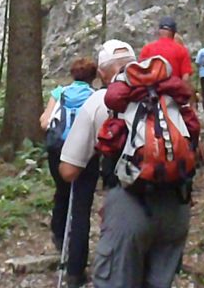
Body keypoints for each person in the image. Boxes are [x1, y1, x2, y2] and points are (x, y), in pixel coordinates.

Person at [60, 39, 192, 288]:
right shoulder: (168, 96)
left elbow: (68, 171)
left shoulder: (100, 101)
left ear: (101, 73)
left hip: (130, 208)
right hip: (176, 206)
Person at [39, 57, 99, 288]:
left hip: (58, 153)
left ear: (72, 74)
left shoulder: (59, 93)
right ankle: (76, 269)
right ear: (92, 76)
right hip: (86, 154)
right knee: (82, 207)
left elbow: (45, 122)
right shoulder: (96, 97)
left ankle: (59, 234)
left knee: (62, 192)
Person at [139, 16, 193, 82]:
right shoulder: (182, 50)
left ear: (159, 31)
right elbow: (185, 78)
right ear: (174, 33)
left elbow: (140, 72)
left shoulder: (147, 48)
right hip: (174, 90)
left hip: (152, 90)